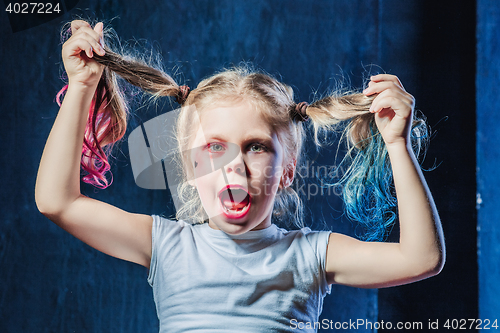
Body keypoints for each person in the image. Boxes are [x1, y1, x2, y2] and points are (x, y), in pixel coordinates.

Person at [35, 20, 445, 332]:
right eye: (215, 147)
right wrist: (83, 86)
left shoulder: (309, 255)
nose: (234, 165)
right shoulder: (167, 245)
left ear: (286, 171)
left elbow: (421, 259)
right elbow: (58, 201)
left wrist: (396, 144)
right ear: (191, 168)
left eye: (256, 146)